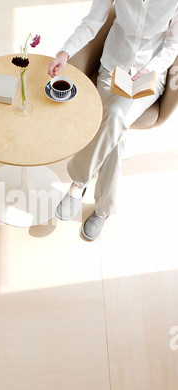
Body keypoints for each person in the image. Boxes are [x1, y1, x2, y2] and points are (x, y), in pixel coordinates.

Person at [48, 0, 178, 241]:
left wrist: (150, 68)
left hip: (149, 77)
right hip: (112, 68)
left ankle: (78, 182)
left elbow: (173, 46)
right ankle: (103, 210)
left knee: (116, 115)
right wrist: (65, 52)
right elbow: (92, 22)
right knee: (115, 130)